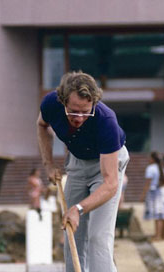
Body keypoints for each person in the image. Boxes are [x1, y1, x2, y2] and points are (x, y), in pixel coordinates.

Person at [37, 71, 129, 272]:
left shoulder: (106, 121)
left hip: (106, 166)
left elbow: (111, 184)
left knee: (98, 237)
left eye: (85, 112)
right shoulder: (51, 103)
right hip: (78, 162)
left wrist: (78, 208)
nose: (79, 118)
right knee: (72, 232)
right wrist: (49, 164)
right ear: (62, 102)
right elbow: (42, 125)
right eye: (73, 111)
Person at [140, 151, 164, 241]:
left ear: (153, 159)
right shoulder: (163, 168)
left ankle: (157, 235)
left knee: (157, 215)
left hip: (155, 192)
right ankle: (163, 235)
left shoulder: (151, 168)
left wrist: (143, 195)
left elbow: (147, 183)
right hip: (163, 192)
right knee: (163, 214)